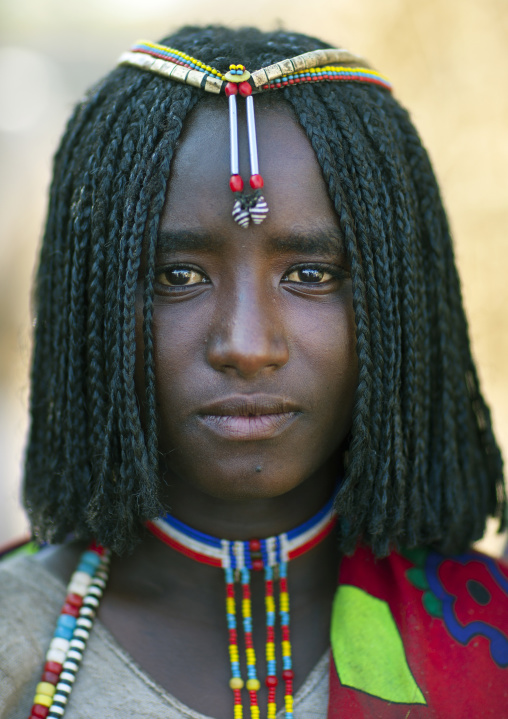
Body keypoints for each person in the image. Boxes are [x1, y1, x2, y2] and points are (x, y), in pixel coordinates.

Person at [1, 24, 507, 719]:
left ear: (401, 304)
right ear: (91, 302)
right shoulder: (14, 640)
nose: (246, 344)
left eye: (309, 273)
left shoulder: (492, 646)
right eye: (178, 275)